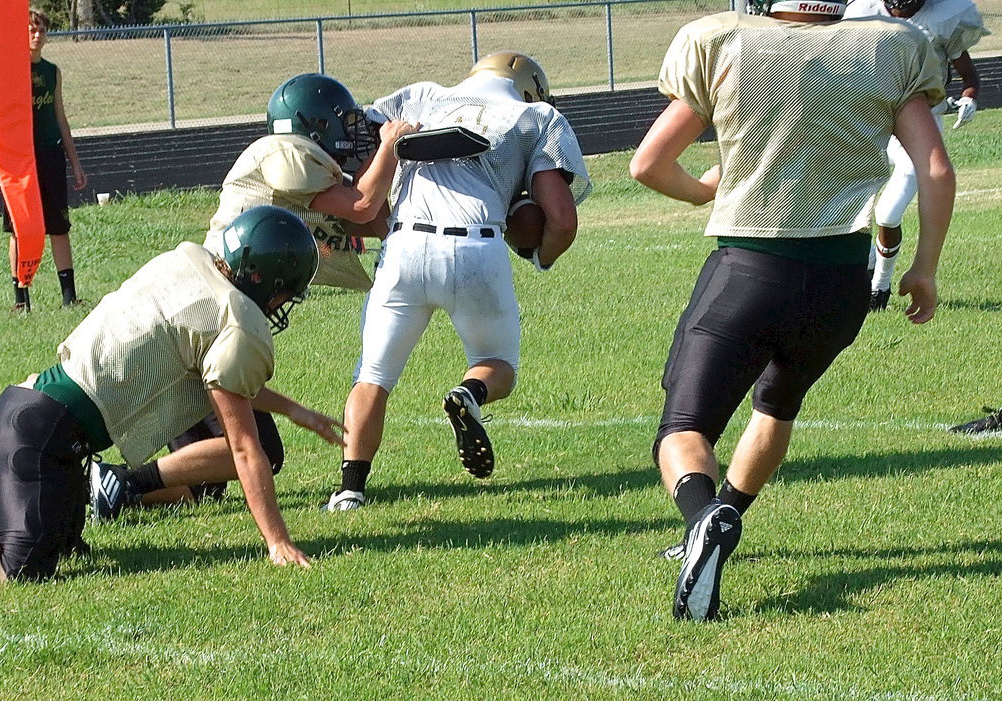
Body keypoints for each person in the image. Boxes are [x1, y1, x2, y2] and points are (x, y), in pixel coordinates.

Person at [629, 0, 954, 620]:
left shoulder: (726, 40)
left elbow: (647, 164)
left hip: (749, 268)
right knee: (777, 404)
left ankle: (705, 517)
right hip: (840, 283)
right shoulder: (888, 45)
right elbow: (934, 168)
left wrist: (705, 189)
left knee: (683, 430)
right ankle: (723, 521)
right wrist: (925, 267)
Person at [0, 206, 336, 587]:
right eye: (287, 289)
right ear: (267, 279)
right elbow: (245, 447)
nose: (285, 301)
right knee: (17, 569)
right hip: (43, 430)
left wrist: (292, 409)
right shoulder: (237, 319)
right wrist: (277, 540)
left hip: (36, 416)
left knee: (56, 538)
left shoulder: (190, 265)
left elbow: (225, 384)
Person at [88, 74, 419, 519]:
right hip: (214, 312)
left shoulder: (304, 177)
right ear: (315, 127)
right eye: (344, 123)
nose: (352, 132)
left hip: (210, 306)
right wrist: (390, 146)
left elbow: (370, 216)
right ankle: (123, 482)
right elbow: (361, 205)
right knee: (258, 450)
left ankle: (106, 493)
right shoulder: (283, 153)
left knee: (203, 486)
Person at [323, 51, 592, 512]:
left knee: (373, 376)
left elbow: (353, 137)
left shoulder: (423, 97)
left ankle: (350, 489)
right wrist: (540, 255)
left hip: (404, 245)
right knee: (497, 363)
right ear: (529, 87)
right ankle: (470, 393)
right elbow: (562, 221)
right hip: (477, 247)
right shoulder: (536, 115)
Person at [843, 0, 988, 311]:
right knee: (853, 207)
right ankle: (867, 264)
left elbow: (969, 77)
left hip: (920, 126)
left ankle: (880, 285)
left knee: (888, 213)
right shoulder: (862, 13)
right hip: (872, 119)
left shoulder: (944, 17)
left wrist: (969, 99)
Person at [4, 7, 88, 312]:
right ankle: (21, 299)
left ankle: (69, 296)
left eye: (41, 31)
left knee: (58, 225)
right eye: (31, 30)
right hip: (21, 161)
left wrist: (75, 161)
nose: (37, 36)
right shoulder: (12, 72)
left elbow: (60, 118)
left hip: (50, 155)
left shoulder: (52, 72)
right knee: (20, 228)